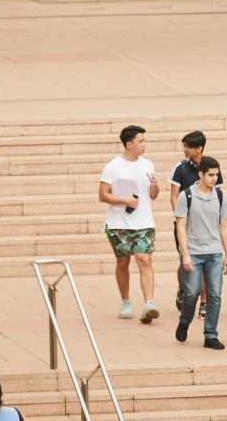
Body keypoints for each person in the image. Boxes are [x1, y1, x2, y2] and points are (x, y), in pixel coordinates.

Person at [99, 124, 160, 324]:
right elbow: (103, 194)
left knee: (144, 259)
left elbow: (153, 195)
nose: (144, 145)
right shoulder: (113, 166)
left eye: (145, 141)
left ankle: (149, 303)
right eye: (140, 141)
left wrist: (154, 186)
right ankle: (126, 301)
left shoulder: (148, 165)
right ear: (129, 144)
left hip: (144, 222)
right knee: (123, 262)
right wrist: (124, 200)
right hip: (119, 222)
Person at [174, 155, 227, 350]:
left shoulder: (221, 196)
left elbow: (224, 226)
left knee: (215, 294)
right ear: (201, 174)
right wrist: (186, 254)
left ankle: (210, 335)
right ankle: (184, 321)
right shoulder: (186, 196)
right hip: (194, 253)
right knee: (192, 293)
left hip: (214, 253)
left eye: (217, 174)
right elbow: (180, 227)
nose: (215, 178)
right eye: (211, 175)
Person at [169, 130, 224, 317]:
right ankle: (182, 288)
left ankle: (204, 302)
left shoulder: (213, 169)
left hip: (207, 226)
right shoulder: (180, 168)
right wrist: (182, 218)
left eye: (188, 147)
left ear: (199, 148)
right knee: (186, 261)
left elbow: (217, 196)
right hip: (185, 226)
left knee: (207, 264)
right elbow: (174, 196)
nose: (184, 150)